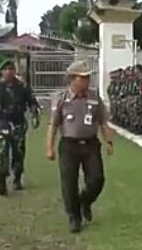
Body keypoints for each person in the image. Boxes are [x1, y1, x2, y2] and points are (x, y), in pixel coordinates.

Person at [46, 60, 113, 233]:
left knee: (97, 179)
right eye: (82, 77)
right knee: (69, 183)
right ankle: (74, 217)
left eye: (87, 77)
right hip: (69, 145)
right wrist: (50, 147)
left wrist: (108, 141)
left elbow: (103, 121)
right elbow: (53, 125)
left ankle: (85, 201)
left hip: (90, 144)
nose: (87, 80)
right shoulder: (62, 99)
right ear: (72, 79)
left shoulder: (94, 97)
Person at [0, 59, 40, 196]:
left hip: (18, 122)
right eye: (6, 69)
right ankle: (1, 182)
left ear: (15, 71)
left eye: (11, 69)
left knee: (18, 151)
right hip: (2, 122)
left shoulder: (23, 87)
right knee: (2, 152)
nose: (9, 72)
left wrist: (34, 116)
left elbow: (32, 103)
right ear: (2, 72)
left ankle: (17, 178)